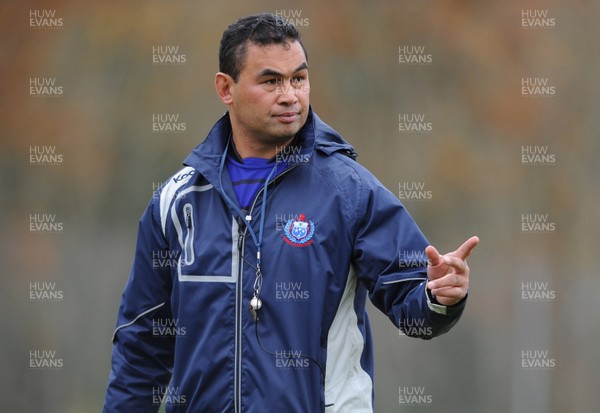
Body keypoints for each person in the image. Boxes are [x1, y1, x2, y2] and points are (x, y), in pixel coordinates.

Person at [103, 12, 479, 413]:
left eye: (298, 79)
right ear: (225, 88)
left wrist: (439, 296)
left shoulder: (348, 190)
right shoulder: (176, 202)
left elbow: (410, 294)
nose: (290, 95)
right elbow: (142, 343)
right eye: (271, 81)